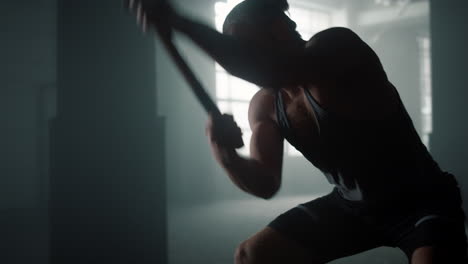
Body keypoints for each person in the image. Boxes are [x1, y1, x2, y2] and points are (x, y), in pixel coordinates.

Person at [128, 0, 468, 263]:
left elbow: (265, 67)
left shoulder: (337, 48)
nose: (235, 56)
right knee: (253, 256)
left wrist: (178, 20)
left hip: (421, 199)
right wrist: (226, 155)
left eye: (242, 43)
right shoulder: (266, 105)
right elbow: (265, 183)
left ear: (280, 27)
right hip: (353, 207)